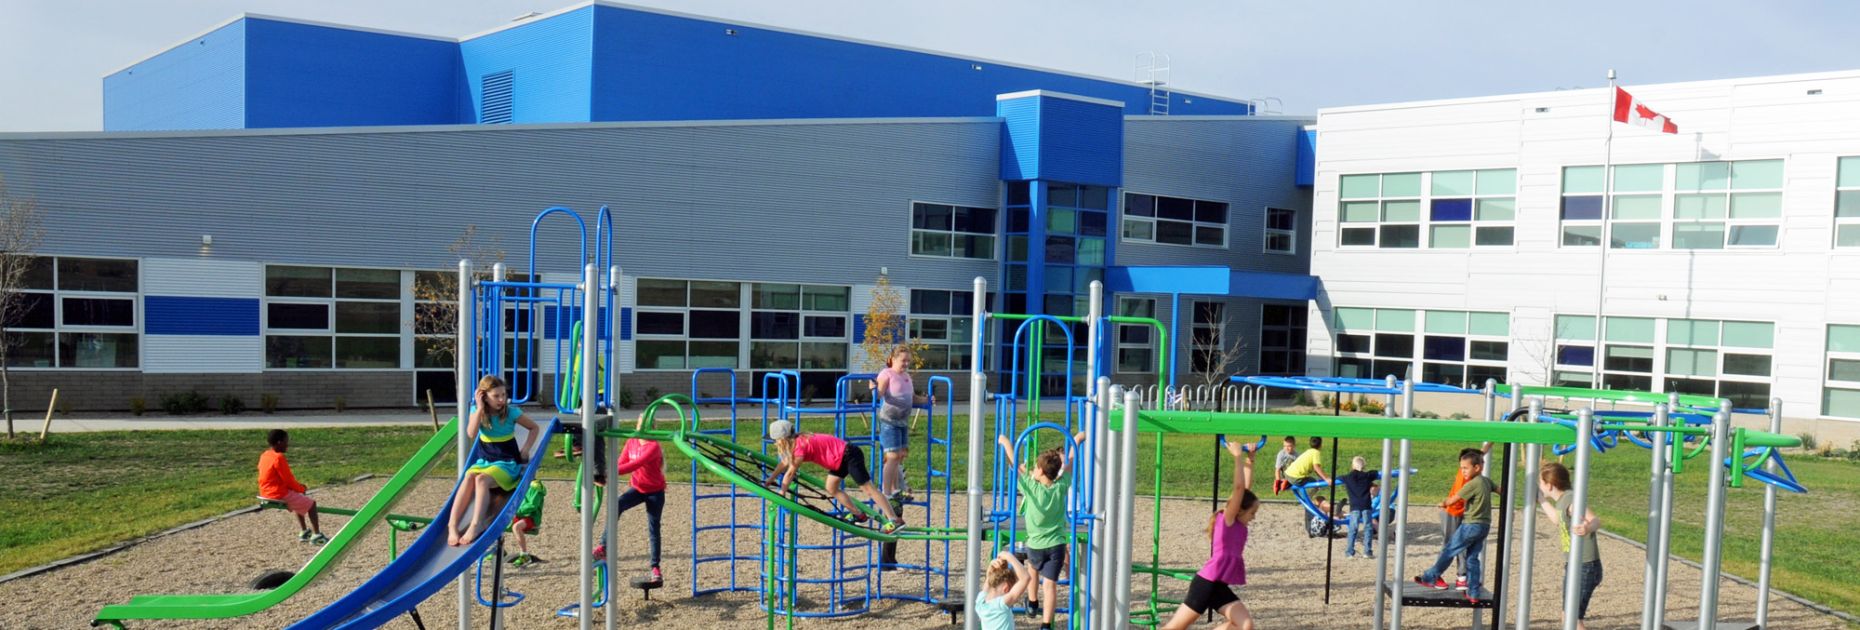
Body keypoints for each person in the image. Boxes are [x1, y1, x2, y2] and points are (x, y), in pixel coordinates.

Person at [1160, 439, 1257, 630]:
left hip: (1218, 586)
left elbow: (1244, 490)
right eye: (1252, 513)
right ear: (1239, 510)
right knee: (1174, 628)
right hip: (1205, 584)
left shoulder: (1239, 523)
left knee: (1245, 626)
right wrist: (1237, 457)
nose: (1254, 518)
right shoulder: (1227, 519)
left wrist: (1250, 459)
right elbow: (1239, 490)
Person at [996, 431, 1087, 630]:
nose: (1033, 470)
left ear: (1041, 472)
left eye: (1036, 468)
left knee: (1032, 571)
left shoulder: (1031, 487)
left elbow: (1014, 464)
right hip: (1057, 545)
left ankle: (1033, 601)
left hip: (1036, 544)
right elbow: (1070, 463)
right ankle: (1046, 625)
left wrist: (1005, 442)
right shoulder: (1061, 486)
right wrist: (1077, 440)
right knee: (1051, 585)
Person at [448, 375, 542, 547]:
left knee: (481, 479)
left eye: (503, 395)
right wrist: (479, 409)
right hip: (486, 461)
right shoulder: (478, 412)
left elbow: (534, 428)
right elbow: (471, 433)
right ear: (484, 396)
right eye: (496, 396)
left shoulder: (511, 412)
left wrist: (526, 448)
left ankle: (475, 525)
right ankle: (452, 525)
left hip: (507, 463)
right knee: (469, 477)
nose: (501, 399)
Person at [765, 420, 904, 533]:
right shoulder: (798, 441)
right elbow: (784, 463)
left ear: (782, 440)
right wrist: (771, 479)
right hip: (839, 459)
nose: (775, 443)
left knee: (868, 489)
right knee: (831, 487)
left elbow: (790, 472)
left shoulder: (800, 446)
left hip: (849, 455)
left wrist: (782, 492)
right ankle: (858, 514)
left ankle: (894, 519)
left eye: (775, 440)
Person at [1414, 448, 1499, 602]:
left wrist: (1442, 503)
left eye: (1465, 468)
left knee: (1450, 550)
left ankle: (1430, 576)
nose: (1462, 471)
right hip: (1484, 526)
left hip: (1470, 524)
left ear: (1477, 467)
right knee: (1472, 558)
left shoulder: (1472, 484)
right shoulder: (1487, 481)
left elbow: (1454, 499)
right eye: (1462, 468)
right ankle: (1473, 593)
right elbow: (1501, 490)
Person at [593, 414, 668, 583]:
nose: (641, 429)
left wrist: (610, 471)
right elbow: (622, 462)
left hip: (655, 491)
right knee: (617, 504)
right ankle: (604, 546)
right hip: (638, 488)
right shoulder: (632, 441)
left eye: (646, 426)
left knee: (653, 527)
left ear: (652, 428)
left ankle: (655, 568)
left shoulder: (653, 446)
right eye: (640, 425)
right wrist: (606, 471)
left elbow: (635, 464)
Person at [1538, 461, 1603, 630]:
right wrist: (1540, 499)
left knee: (1572, 619)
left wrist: (1587, 527)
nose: (1540, 486)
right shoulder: (1562, 501)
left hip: (1585, 566)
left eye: (1541, 483)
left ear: (1550, 485)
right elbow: (1557, 520)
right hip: (1575, 564)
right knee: (1567, 616)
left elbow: (1596, 520)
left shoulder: (1570, 500)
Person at [873, 346, 929, 506]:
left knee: (901, 455)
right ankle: (887, 491)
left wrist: (926, 400)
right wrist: (873, 390)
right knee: (892, 456)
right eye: (903, 360)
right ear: (893, 359)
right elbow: (880, 393)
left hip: (903, 422)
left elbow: (912, 398)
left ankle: (896, 488)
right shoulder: (887, 374)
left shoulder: (906, 377)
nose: (906, 364)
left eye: (908, 361)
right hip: (889, 421)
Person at [1437, 442, 1495, 589]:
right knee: (1451, 544)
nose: (1482, 464)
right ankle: (1437, 576)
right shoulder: (1465, 473)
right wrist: (1445, 502)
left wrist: (1493, 438)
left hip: (1464, 514)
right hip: (1451, 512)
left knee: (1463, 545)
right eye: (1481, 461)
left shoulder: (1475, 474)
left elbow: (1481, 452)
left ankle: (1462, 577)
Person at [258, 429, 326, 545]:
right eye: (286, 441)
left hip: (266, 491)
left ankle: (304, 532)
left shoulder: (265, 455)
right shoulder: (278, 458)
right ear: (279, 442)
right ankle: (317, 535)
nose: (287, 444)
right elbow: (288, 480)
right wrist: (302, 488)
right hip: (277, 493)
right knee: (311, 504)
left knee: (297, 498)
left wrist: (297, 490)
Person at [975, 550, 1035, 630]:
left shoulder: (980, 603)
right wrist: (1010, 557)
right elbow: (1026, 578)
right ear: (1006, 588)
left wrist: (991, 567)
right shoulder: (1001, 605)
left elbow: (987, 582)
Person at [1339, 456, 1380, 558]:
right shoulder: (1368, 476)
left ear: (1352, 466)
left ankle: (1349, 552)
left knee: (1353, 528)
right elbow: (1375, 472)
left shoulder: (1347, 477)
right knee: (1368, 528)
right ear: (1364, 466)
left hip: (1355, 507)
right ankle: (1367, 551)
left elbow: (1338, 478)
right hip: (1366, 505)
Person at [509, 479, 547, 567]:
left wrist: (516, 511)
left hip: (531, 517)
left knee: (516, 527)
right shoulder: (519, 484)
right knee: (499, 523)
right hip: (519, 515)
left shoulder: (535, 487)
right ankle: (499, 550)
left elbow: (532, 505)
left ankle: (524, 555)